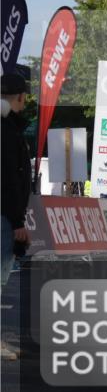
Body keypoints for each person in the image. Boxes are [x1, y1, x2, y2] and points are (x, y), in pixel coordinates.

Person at [2, 73, 31, 295]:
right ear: (20, 97)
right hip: (4, 218)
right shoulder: (8, 130)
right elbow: (9, 177)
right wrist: (17, 221)